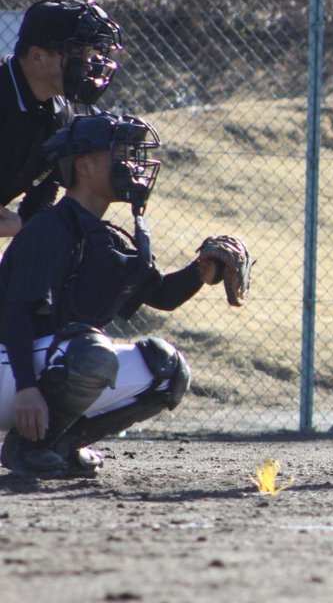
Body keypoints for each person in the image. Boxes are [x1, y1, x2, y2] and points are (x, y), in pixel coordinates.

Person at [0, 113, 236, 479]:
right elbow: (15, 313)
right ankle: (28, 448)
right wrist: (28, 389)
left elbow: (163, 295)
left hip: (50, 363)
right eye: (120, 155)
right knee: (91, 350)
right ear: (84, 166)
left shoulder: (107, 237)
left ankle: (56, 445)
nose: (131, 165)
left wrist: (201, 271)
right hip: (10, 368)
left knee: (166, 369)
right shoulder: (49, 228)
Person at [1, 0, 123, 238]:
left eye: (91, 53)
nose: (89, 64)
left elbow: (46, 186)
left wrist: (24, 224)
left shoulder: (62, 113)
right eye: (78, 52)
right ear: (37, 57)